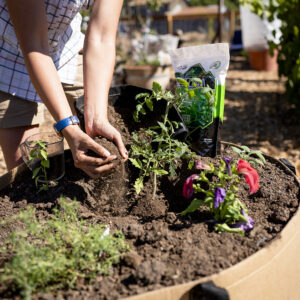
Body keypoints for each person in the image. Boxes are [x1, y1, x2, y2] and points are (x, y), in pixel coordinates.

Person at [0, 0, 128, 178]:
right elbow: (34, 45)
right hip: (7, 53)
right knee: (31, 173)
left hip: (62, 46)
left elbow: (101, 38)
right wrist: (69, 127)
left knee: (98, 128)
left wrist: (97, 118)